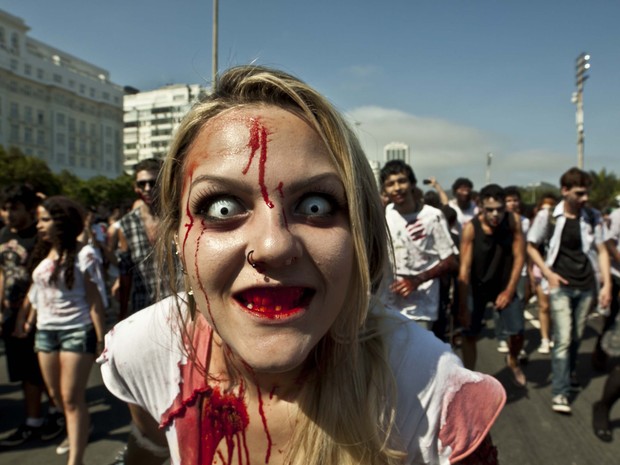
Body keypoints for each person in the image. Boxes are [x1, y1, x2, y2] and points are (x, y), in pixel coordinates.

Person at [99, 65, 505, 465]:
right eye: (222, 207)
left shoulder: (435, 398)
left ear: (361, 231)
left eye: (316, 205)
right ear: (175, 237)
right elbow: (149, 446)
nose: (273, 246)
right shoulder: (144, 352)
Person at [26, 196, 108, 464]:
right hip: (44, 332)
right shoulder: (43, 252)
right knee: (57, 397)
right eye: (39, 219)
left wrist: (100, 338)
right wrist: (25, 320)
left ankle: (76, 459)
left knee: (72, 399)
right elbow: (38, 292)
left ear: (61, 222)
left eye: (45, 220)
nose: (39, 225)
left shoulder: (85, 254)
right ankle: (79, 426)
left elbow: (95, 300)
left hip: (76, 329)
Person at [527, 167, 612, 414]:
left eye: (587, 193)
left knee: (575, 337)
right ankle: (560, 391)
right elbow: (531, 246)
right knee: (563, 338)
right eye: (580, 193)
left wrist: (606, 284)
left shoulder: (593, 217)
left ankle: (570, 372)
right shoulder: (548, 216)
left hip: (585, 286)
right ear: (565, 191)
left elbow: (603, 251)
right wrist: (548, 273)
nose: (585, 198)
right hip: (560, 286)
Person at [0, 185, 65, 446]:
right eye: (5, 209)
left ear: (29, 210)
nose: (8, 214)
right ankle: (33, 421)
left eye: (14, 208)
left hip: (40, 316)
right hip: (11, 316)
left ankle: (57, 415)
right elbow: (2, 272)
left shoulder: (42, 237)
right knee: (25, 373)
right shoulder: (3, 234)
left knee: (46, 371)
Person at [458, 184, 526, 387]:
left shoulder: (513, 221)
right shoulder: (471, 228)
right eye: (490, 209)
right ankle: (469, 378)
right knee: (469, 332)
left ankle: (513, 360)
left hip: (503, 283)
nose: (495, 214)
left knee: (518, 332)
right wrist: (462, 306)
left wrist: (509, 290)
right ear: (480, 206)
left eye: (499, 208)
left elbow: (520, 257)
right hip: (477, 286)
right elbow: (464, 270)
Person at [380, 160, 458, 331]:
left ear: (412, 183)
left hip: (421, 305)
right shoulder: (385, 214)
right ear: (384, 190)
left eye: (402, 181)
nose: (397, 188)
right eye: (390, 184)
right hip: (390, 302)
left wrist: (416, 280)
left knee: (418, 355)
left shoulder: (432, 216)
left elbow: (450, 261)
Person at [116, 158, 164, 321]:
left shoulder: (179, 218)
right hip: (144, 312)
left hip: (181, 310)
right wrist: (122, 316)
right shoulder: (126, 225)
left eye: (153, 182)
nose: (147, 188)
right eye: (142, 184)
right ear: (136, 187)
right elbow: (125, 275)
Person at [591, 204, 620, 371]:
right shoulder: (617, 215)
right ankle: (600, 354)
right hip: (616, 275)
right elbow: (609, 242)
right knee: (612, 318)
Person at [528, 193, 558, 354]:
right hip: (540, 269)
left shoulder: (560, 223)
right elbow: (531, 249)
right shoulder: (537, 226)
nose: (548, 211)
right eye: (544, 208)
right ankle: (545, 339)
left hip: (558, 270)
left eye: (551, 207)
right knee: (544, 306)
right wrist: (531, 272)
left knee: (556, 307)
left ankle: (554, 334)